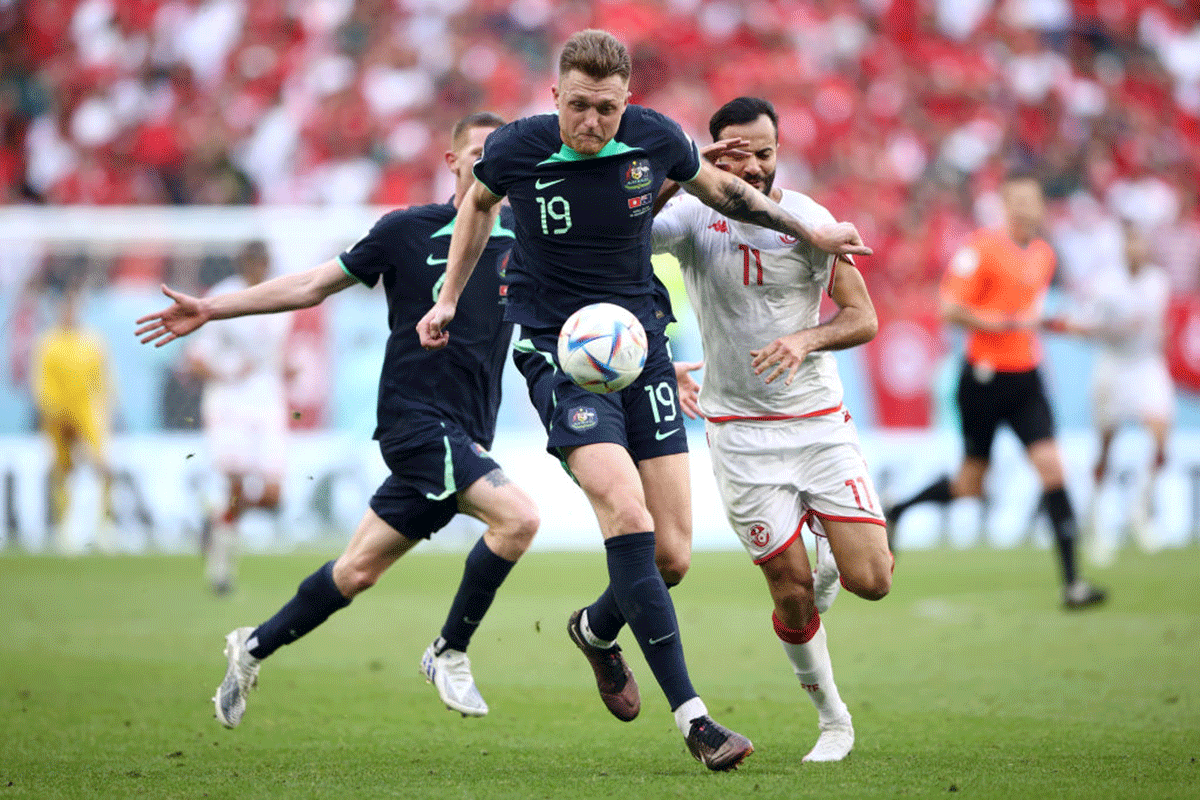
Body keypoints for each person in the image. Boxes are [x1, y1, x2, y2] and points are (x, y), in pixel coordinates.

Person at [416, 30, 870, 771]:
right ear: (553, 97)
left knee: (671, 555)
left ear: (627, 102)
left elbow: (726, 192)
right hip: (557, 351)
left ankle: (595, 632)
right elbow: (476, 206)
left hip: (642, 348)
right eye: (577, 107)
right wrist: (448, 299)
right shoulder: (517, 148)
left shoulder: (654, 138)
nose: (591, 123)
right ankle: (695, 720)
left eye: (605, 108)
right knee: (626, 515)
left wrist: (812, 228)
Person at [136, 111, 540, 727]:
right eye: (479, 151)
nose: (490, 162)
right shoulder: (406, 230)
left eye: (499, 153)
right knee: (519, 520)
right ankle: (449, 651)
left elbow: (574, 313)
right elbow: (313, 285)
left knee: (356, 571)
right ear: (452, 161)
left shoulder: (524, 239)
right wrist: (214, 309)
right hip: (415, 422)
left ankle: (251, 647)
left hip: (465, 430)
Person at [651, 96, 891, 762]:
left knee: (872, 580)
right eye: (734, 152)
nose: (750, 164)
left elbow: (861, 317)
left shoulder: (810, 220)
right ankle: (834, 719)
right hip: (739, 432)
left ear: (778, 152)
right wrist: (683, 170)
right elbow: (624, 233)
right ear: (712, 151)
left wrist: (805, 340)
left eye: (762, 152)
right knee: (788, 589)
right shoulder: (694, 215)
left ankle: (832, 553)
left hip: (816, 424)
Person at [885, 172, 1107, 610]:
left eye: (1033, 200)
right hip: (984, 379)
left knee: (1051, 468)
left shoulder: (1043, 254)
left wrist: (1064, 326)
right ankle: (898, 509)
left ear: (1042, 207)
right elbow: (950, 309)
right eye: (1017, 200)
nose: (1026, 208)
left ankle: (1073, 584)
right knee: (970, 483)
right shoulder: (981, 249)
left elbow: (1032, 315)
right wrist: (1006, 324)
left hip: (1026, 377)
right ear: (1005, 206)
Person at [1046, 220, 1174, 562]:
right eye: (1130, 243)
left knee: (1161, 439)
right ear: (1123, 248)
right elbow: (1086, 324)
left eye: (1140, 243)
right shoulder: (1106, 285)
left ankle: (1140, 510)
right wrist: (1075, 327)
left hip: (1147, 365)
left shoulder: (1159, 282)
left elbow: (1162, 327)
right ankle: (1098, 524)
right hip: (1113, 368)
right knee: (1106, 448)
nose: (1136, 250)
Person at [185, 241, 294, 595]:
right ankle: (221, 572)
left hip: (268, 401)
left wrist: (286, 368)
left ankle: (217, 523)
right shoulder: (221, 298)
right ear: (243, 263)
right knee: (235, 483)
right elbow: (196, 359)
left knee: (274, 494)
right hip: (230, 402)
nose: (259, 269)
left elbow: (276, 354)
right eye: (254, 263)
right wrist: (230, 373)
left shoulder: (281, 298)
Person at [32, 286, 116, 552]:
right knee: (63, 469)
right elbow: (43, 384)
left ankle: (103, 526)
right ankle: (65, 527)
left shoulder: (93, 341)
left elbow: (104, 381)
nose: (70, 313)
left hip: (89, 412)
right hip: (59, 414)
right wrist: (55, 413)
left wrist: (105, 410)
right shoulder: (48, 343)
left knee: (102, 467)